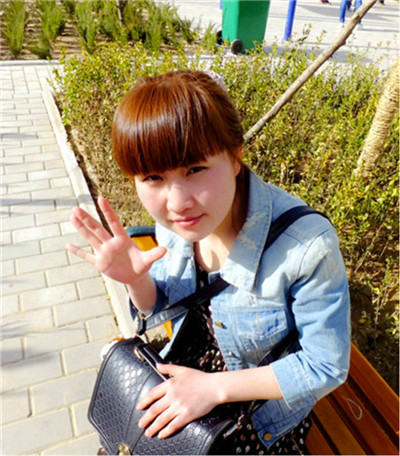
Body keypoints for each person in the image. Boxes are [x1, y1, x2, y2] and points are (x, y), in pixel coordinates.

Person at [68, 70, 351, 454]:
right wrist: (135, 280)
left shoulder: (305, 247)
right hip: (183, 383)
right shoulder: (179, 224)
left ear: (235, 157)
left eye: (195, 169)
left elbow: (325, 365)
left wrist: (212, 389)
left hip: (252, 416)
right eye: (153, 177)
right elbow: (164, 305)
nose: (177, 203)